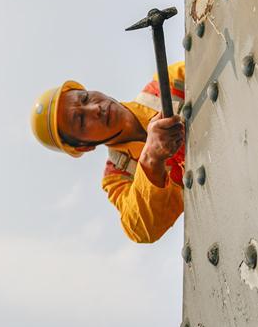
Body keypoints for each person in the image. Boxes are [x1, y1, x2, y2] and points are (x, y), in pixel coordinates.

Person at [29, 62, 186, 243]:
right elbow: (141, 229)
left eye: (85, 98)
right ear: (83, 147)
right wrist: (151, 159)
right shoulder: (117, 176)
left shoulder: (167, 83)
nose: (95, 109)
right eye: (80, 121)